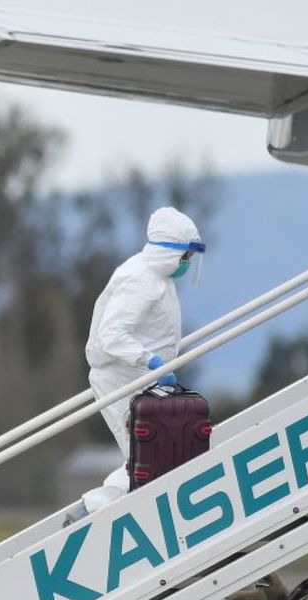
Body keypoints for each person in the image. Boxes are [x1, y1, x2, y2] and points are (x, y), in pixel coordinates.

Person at [77, 206, 204, 516]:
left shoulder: (156, 278)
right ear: (170, 251)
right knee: (147, 454)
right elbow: (111, 333)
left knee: (154, 451)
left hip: (138, 379)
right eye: (185, 256)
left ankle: (99, 512)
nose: (187, 263)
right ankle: (90, 513)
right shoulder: (141, 281)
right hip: (122, 379)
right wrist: (150, 361)